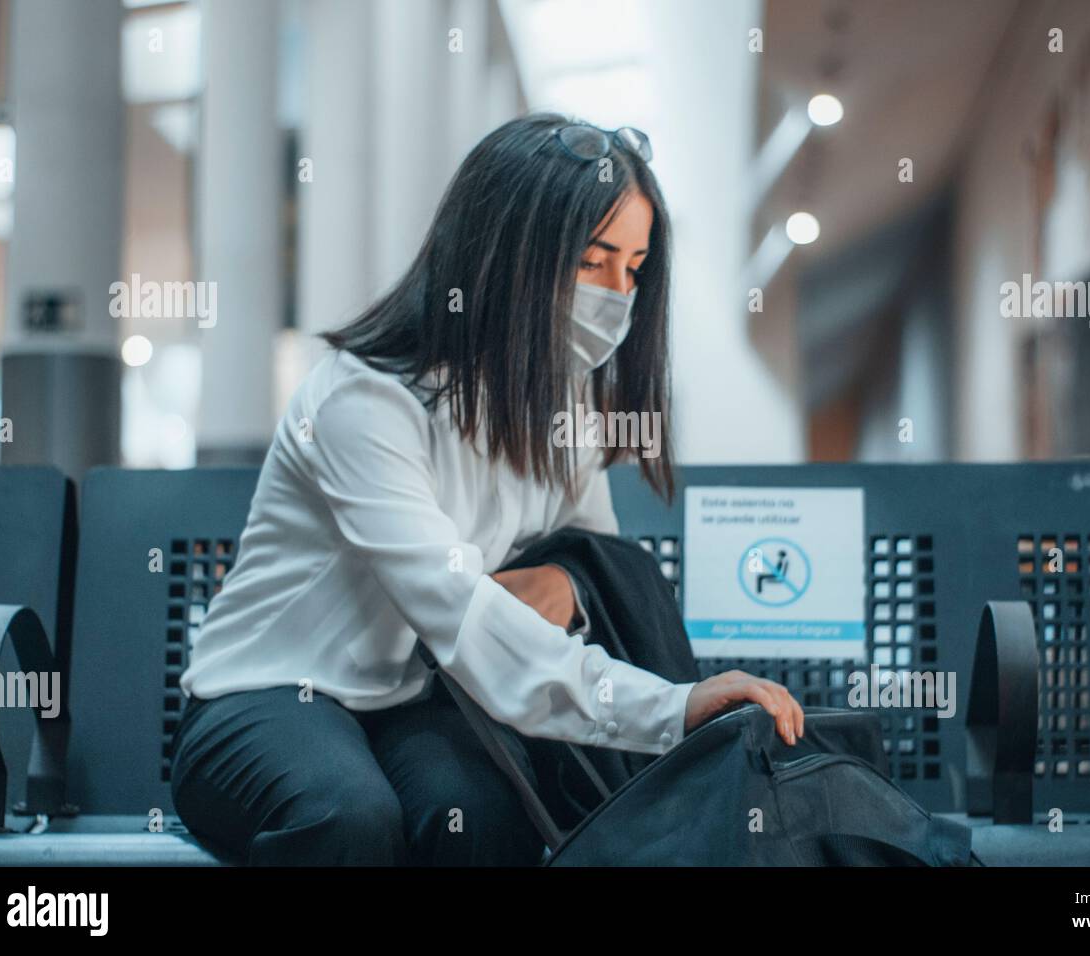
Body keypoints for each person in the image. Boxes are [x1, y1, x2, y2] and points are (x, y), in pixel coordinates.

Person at [170, 112, 805, 866]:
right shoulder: (366, 402)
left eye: (632, 269)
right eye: (593, 260)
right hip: (267, 695)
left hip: (413, 705)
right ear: (504, 252)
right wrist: (670, 709)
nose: (617, 296)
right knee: (348, 819)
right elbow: (461, 612)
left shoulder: (560, 407)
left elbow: (594, 555)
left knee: (481, 818)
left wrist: (568, 580)